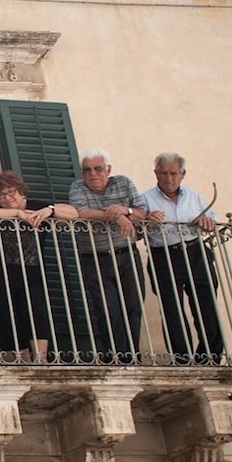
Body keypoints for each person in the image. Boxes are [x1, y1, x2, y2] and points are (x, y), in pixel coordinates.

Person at [0, 171, 77, 363]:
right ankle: (22, 362)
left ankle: (40, 361)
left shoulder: (38, 207)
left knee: (37, 313)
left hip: (32, 273)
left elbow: (74, 213)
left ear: (21, 190)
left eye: (11, 192)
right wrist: (17, 214)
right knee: (7, 317)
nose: (7, 197)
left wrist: (49, 210)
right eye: (2, 194)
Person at [143, 152, 225, 364]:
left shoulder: (194, 196)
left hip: (196, 252)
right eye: (163, 173)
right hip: (164, 256)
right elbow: (136, 232)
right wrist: (147, 221)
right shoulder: (145, 199)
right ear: (155, 173)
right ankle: (182, 360)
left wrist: (207, 222)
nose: (168, 178)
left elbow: (213, 220)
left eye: (173, 173)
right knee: (172, 310)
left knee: (206, 307)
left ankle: (210, 357)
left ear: (182, 174)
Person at [68, 149, 148, 363]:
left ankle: (131, 355)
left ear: (109, 170)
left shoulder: (123, 183)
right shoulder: (77, 187)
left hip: (127, 254)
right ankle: (116, 355)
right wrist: (118, 216)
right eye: (87, 170)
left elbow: (141, 213)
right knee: (108, 309)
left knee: (133, 305)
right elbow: (81, 212)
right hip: (95, 257)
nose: (92, 174)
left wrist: (125, 211)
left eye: (98, 169)